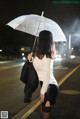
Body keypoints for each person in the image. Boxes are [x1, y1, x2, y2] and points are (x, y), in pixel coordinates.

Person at [27, 30, 59, 119]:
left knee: (45, 113)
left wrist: (42, 91)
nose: (37, 39)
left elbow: (47, 76)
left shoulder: (48, 56)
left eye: (39, 37)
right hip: (44, 86)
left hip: (50, 86)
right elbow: (39, 67)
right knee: (42, 112)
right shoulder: (39, 55)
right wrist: (31, 59)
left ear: (41, 40)